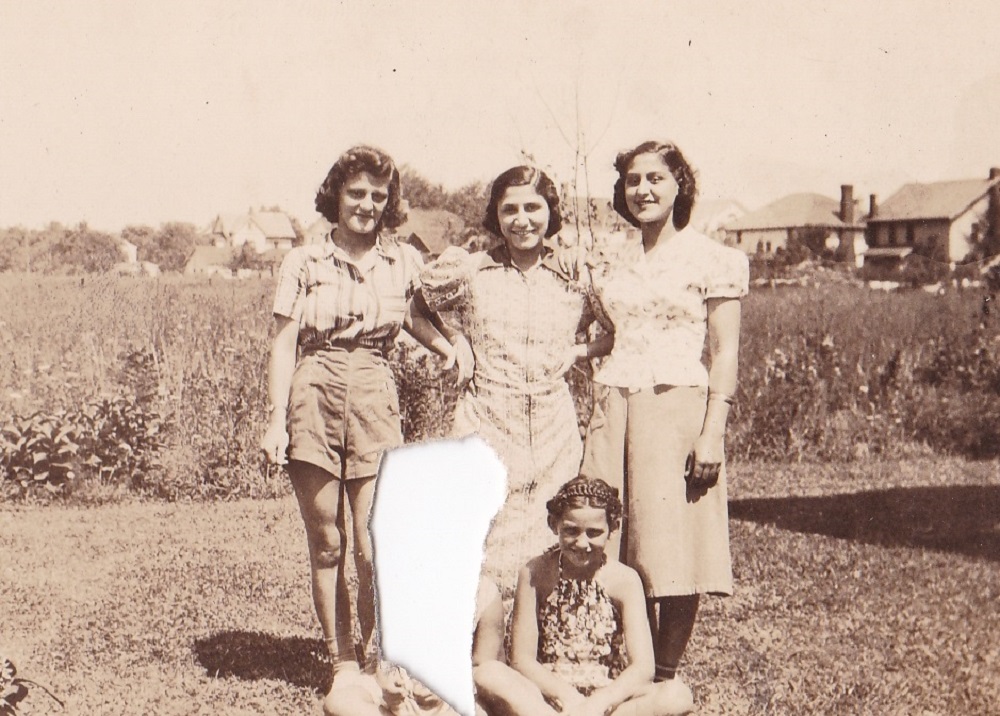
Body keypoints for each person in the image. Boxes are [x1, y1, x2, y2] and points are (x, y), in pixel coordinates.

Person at [259, 145, 459, 701]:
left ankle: (378, 656)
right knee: (327, 543)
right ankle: (341, 661)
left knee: (378, 544)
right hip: (313, 390)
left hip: (374, 392)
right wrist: (276, 421)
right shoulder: (303, 260)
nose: (368, 205)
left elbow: (417, 318)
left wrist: (451, 347)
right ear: (336, 196)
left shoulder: (403, 261)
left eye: (378, 195)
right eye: (357, 193)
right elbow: (281, 343)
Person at [580, 140, 749, 693]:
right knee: (605, 541)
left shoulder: (712, 259)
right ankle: (627, 671)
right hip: (613, 405)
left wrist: (713, 433)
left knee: (671, 546)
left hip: (676, 407)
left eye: (655, 178)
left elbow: (724, 351)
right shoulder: (612, 259)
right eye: (633, 180)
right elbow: (611, 335)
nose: (643, 190)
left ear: (680, 186)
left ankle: (664, 677)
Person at [415, 166, 613, 599]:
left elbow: (620, 332)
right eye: (509, 210)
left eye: (532, 207)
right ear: (496, 216)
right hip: (486, 421)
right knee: (480, 535)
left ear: (550, 211)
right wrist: (453, 342)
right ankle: (478, 648)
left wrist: (577, 352)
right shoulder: (472, 272)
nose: (521, 220)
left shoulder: (574, 275)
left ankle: (538, 644)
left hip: (553, 431)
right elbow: (416, 308)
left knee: (551, 538)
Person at [490, 476, 693, 716]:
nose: (582, 543)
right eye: (571, 531)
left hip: (606, 699)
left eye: (594, 532)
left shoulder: (625, 580)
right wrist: (568, 698)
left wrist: (597, 704)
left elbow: (643, 667)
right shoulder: (534, 573)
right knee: (489, 674)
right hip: (548, 697)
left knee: (677, 695)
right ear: (553, 523)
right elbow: (521, 659)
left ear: (613, 528)